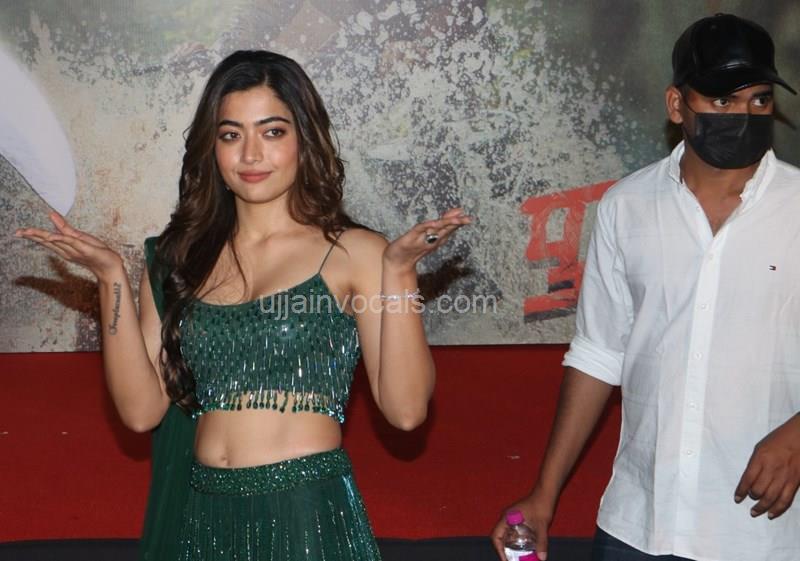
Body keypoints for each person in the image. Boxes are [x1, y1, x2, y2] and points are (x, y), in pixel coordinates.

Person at [16, 50, 471, 560]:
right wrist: (110, 280)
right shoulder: (179, 259)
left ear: (305, 138)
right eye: (231, 135)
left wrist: (401, 271)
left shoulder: (356, 253)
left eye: (272, 132)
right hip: (202, 515)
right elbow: (141, 413)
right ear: (212, 147)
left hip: (303, 513)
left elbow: (406, 412)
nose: (251, 154)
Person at [492, 13, 800, 561]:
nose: (744, 115)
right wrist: (544, 495)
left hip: (765, 531)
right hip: (639, 524)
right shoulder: (626, 206)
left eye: (758, 100)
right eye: (723, 100)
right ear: (677, 105)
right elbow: (598, 354)